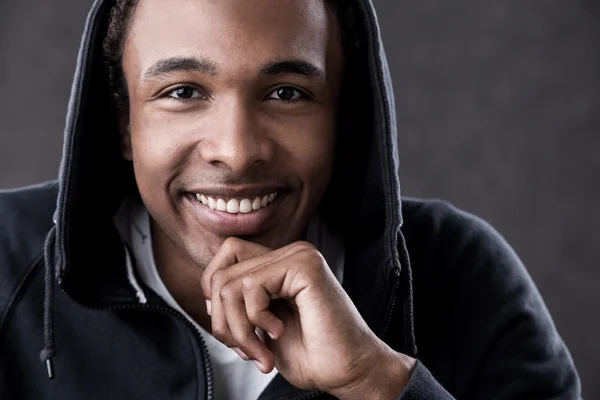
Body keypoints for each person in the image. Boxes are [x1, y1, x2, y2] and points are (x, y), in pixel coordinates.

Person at [0, 0, 581, 398]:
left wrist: (377, 382)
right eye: (182, 91)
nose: (237, 150)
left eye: (287, 92)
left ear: (341, 118)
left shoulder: (460, 273)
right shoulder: (5, 263)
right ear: (124, 124)